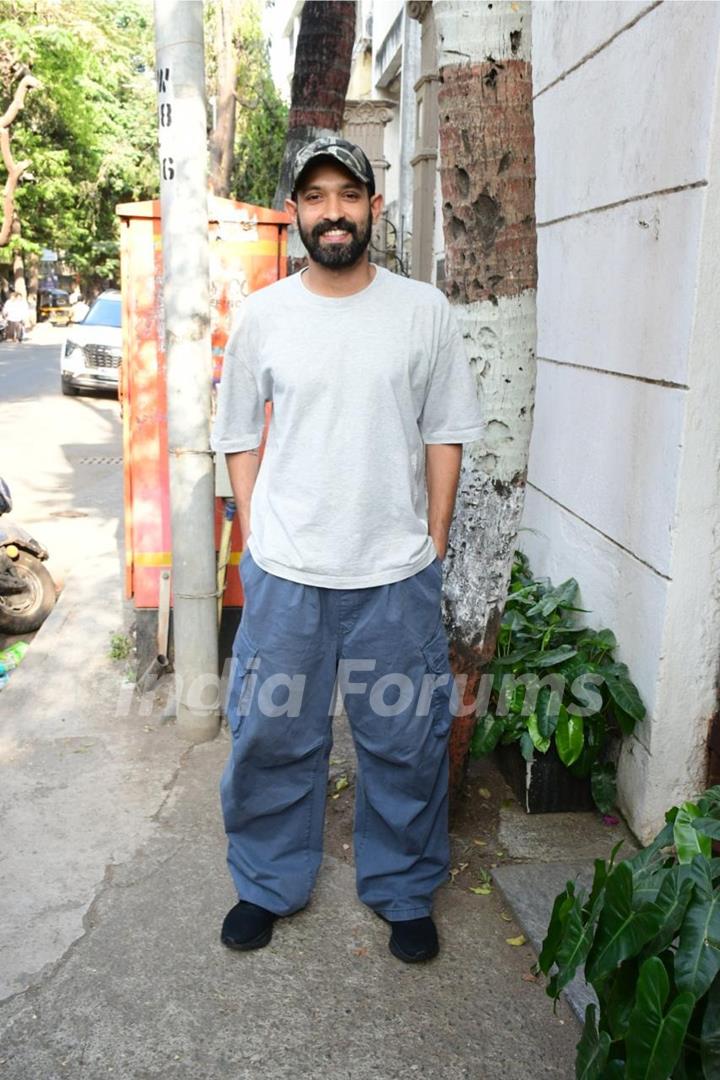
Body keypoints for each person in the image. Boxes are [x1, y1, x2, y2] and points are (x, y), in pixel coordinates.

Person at [211, 137, 483, 964]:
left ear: (374, 206)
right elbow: (235, 436)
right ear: (295, 213)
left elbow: (446, 433)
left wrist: (431, 543)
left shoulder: (421, 311)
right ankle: (266, 883)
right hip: (288, 575)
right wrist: (256, 540)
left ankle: (402, 887)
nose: (334, 211)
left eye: (349, 195)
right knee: (271, 738)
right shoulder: (265, 315)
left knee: (404, 740)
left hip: (394, 578)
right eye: (316, 196)